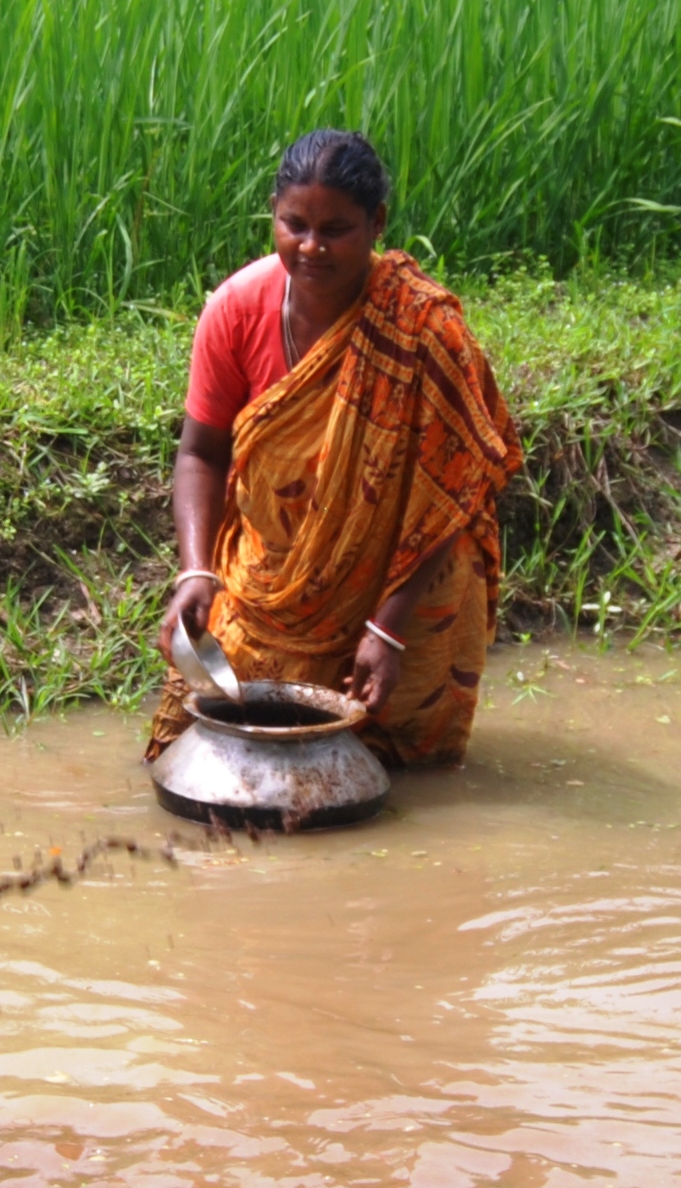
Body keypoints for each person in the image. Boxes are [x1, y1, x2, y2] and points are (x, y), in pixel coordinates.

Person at [149, 129, 521, 768]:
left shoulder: (425, 331)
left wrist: (389, 625)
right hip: (279, 570)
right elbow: (201, 453)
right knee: (198, 736)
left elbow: (455, 490)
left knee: (397, 768)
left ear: (377, 223)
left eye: (336, 229)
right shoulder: (236, 309)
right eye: (294, 224)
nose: (311, 246)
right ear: (273, 213)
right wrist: (197, 572)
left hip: (406, 571)